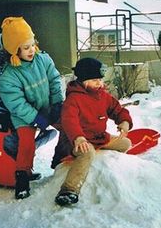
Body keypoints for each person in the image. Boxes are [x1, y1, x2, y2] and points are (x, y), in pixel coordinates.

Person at [0, 16, 64, 200]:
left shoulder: (44, 59)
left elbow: (54, 80)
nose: (31, 50)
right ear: (14, 50)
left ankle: (62, 160)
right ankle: (22, 178)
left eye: (32, 44)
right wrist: (37, 119)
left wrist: (57, 103)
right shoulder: (8, 77)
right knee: (26, 144)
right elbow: (17, 105)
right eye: (25, 48)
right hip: (24, 116)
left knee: (68, 126)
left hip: (47, 106)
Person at [54, 57, 133, 207]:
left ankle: (108, 159)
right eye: (95, 80)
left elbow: (117, 109)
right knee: (87, 152)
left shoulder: (102, 95)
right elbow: (69, 120)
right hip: (76, 141)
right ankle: (68, 190)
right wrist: (78, 138)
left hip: (98, 138)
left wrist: (124, 121)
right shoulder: (74, 98)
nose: (100, 83)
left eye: (100, 80)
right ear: (84, 80)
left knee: (126, 143)